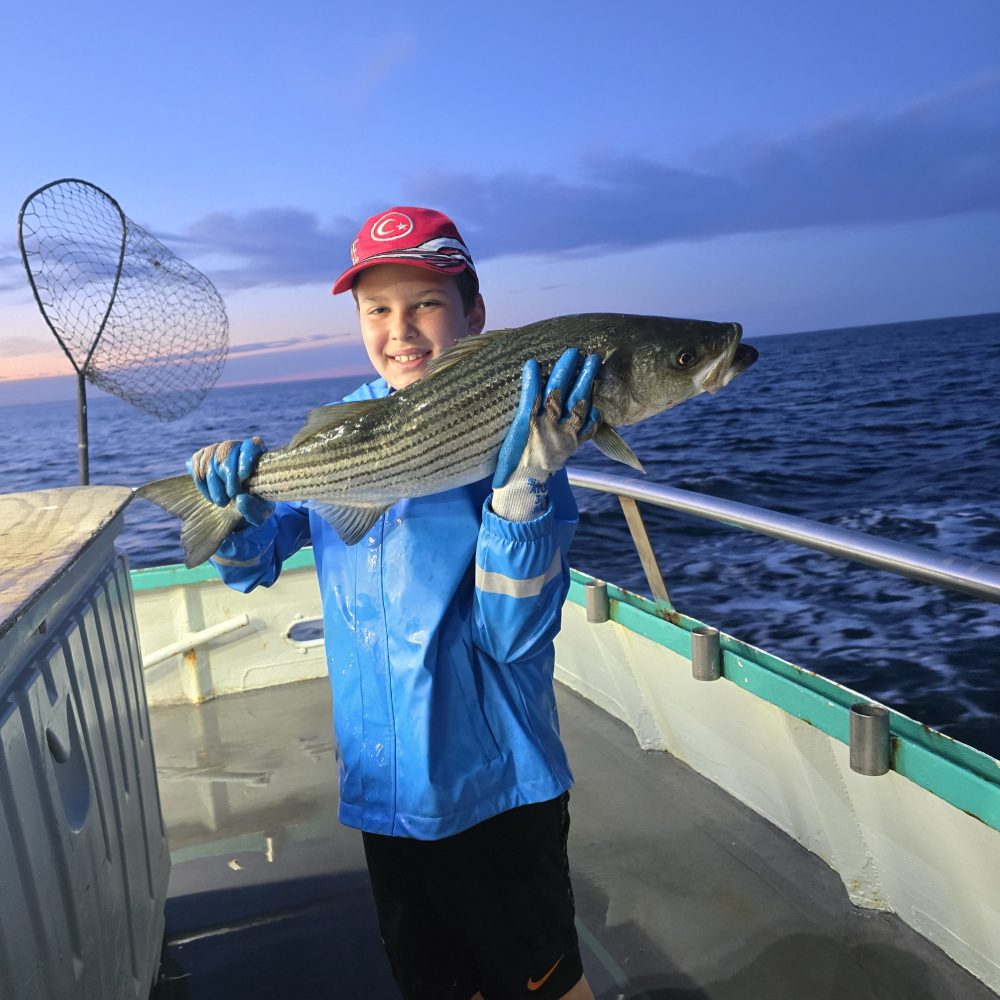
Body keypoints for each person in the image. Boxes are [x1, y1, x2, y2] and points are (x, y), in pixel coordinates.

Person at [188, 206, 599, 1000]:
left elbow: (515, 635)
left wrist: (522, 491)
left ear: (474, 314)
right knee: (435, 984)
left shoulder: (520, 436)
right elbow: (254, 565)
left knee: (546, 987)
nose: (400, 329)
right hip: (384, 788)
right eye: (377, 309)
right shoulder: (347, 422)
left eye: (426, 303)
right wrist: (236, 512)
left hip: (491, 787)